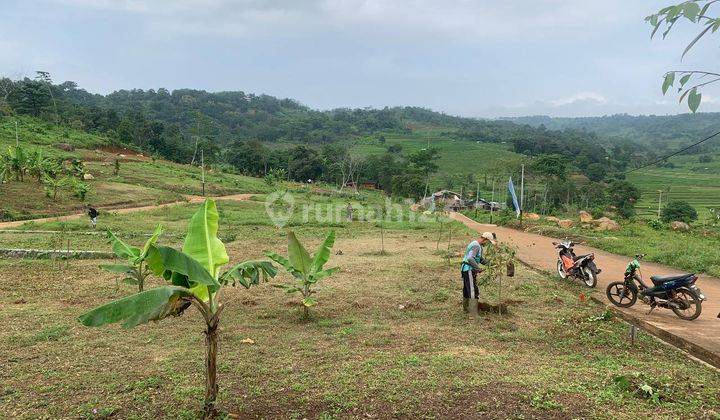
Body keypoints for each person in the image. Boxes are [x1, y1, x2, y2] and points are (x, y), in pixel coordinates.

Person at [460, 232, 497, 313]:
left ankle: (466, 309)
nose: (487, 244)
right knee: (473, 291)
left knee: (467, 289)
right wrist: (477, 268)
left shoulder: (477, 245)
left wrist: (491, 264)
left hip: (466, 270)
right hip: (468, 270)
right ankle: (473, 313)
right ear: (485, 239)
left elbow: (480, 259)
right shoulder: (476, 246)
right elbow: (470, 258)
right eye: (488, 242)